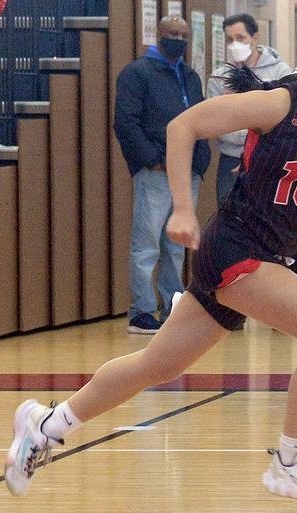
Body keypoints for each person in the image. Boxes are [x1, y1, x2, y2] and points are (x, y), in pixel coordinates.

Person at [4, 26, 297, 507]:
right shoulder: (279, 105)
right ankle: (292, 461)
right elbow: (183, 127)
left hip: (264, 256)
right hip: (234, 249)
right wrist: (183, 207)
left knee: (157, 365)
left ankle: (45, 426)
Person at [114, 16, 208, 334]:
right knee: (147, 244)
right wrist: (151, 159)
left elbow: (201, 119)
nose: (178, 39)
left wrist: (200, 161)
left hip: (188, 171)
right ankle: (141, 311)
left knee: (177, 246)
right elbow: (125, 121)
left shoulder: (191, 75)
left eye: (183, 35)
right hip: (155, 171)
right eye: (172, 34)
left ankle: (172, 307)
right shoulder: (138, 72)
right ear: (158, 36)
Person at [207, 13, 291, 208]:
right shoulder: (220, 77)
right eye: (230, 39)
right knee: (228, 213)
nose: (235, 44)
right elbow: (216, 124)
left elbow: (284, 121)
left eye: (240, 38)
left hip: (269, 157)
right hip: (231, 158)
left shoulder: (279, 72)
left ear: (255, 38)